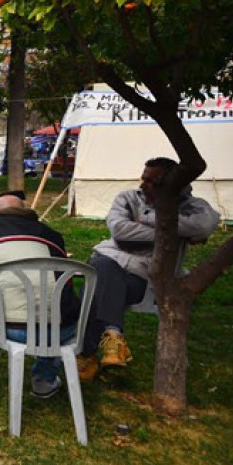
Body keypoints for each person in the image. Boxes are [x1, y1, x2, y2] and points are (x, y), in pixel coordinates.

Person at [77, 157, 220, 381]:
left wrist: (149, 219)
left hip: (144, 278)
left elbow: (204, 225)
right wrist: (171, 232)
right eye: (143, 179)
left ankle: (87, 354)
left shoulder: (192, 205)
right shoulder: (128, 198)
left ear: (173, 185)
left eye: (152, 182)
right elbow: (121, 231)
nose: (143, 186)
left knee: (95, 284)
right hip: (111, 264)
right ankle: (113, 338)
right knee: (102, 269)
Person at [0, 194, 80, 398]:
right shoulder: (52, 235)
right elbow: (65, 285)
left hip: (10, 328)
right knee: (54, 305)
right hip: (62, 328)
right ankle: (44, 378)